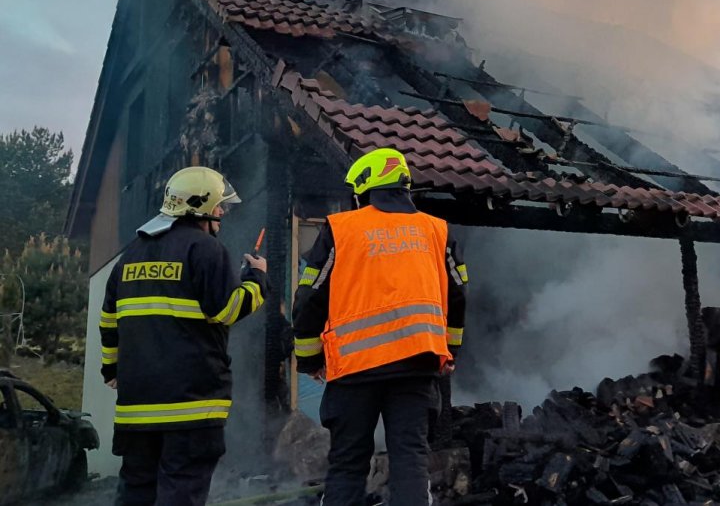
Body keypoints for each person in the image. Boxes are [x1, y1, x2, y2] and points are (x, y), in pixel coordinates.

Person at [292, 148, 467, 505]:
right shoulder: (437, 230)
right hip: (417, 366)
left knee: (347, 463)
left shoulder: (342, 229)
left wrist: (310, 360)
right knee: (410, 458)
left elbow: (309, 299)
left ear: (365, 187)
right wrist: (450, 351)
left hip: (354, 371)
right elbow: (458, 295)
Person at [99, 166, 268, 506]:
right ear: (199, 206)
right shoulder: (205, 249)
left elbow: (109, 321)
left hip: (136, 411)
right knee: (180, 494)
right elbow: (228, 310)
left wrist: (112, 370)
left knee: (136, 494)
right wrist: (257, 280)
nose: (221, 213)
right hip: (191, 408)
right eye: (219, 206)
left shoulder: (130, 256)